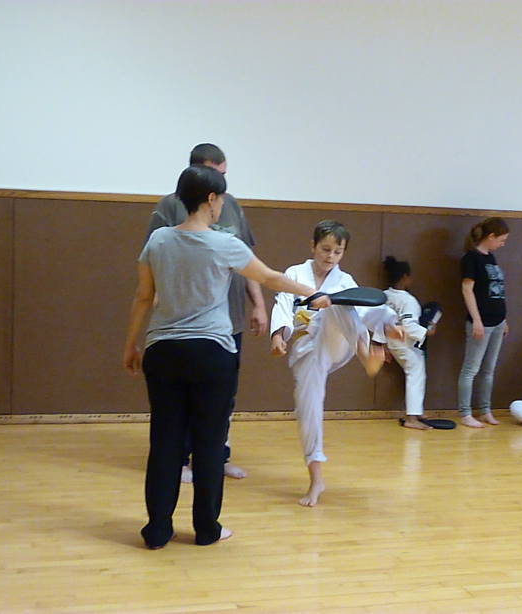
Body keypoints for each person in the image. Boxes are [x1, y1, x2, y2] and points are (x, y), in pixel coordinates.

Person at [123, 166, 328, 548]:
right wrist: (312, 293)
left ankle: (157, 530)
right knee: (209, 443)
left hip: (163, 352)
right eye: (221, 199)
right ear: (211, 200)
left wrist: (130, 344)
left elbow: (143, 296)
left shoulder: (158, 240)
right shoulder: (225, 244)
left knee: (165, 441)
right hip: (212, 353)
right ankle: (206, 529)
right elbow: (270, 278)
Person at [146, 143, 264, 481]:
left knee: (224, 396)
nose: (223, 184)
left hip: (228, 319)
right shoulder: (169, 208)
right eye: (218, 175)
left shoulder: (232, 205)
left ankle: (214, 457)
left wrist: (258, 303)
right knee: (183, 399)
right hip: (185, 320)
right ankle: (181, 459)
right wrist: (158, 298)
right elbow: (153, 260)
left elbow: (250, 261)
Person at [270, 220, 403, 507]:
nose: (330, 257)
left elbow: (368, 309)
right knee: (308, 411)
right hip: (307, 349)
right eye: (325, 249)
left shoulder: (344, 280)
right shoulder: (295, 274)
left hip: (339, 342)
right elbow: (282, 304)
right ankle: (316, 479)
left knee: (338, 302)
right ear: (313, 246)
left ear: (343, 253)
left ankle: (366, 357)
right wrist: (278, 335)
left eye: (337, 252)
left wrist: (389, 324)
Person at [457, 217, 510, 428]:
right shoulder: (471, 258)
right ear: (490, 237)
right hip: (482, 323)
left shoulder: (491, 258)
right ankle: (465, 413)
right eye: (501, 240)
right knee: (471, 369)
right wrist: (477, 320)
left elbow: (496, 291)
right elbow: (467, 289)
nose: (503, 244)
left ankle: (485, 410)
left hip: (497, 321)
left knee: (489, 369)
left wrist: (504, 319)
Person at [381, 256, 438, 430]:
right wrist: (427, 331)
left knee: (417, 374)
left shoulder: (385, 296)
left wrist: (383, 345)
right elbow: (408, 326)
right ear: (405, 277)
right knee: (415, 374)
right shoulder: (408, 300)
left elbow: (379, 322)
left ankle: (417, 411)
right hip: (404, 343)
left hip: (392, 341)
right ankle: (411, 418)